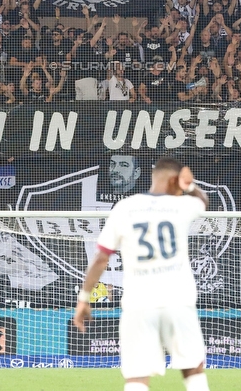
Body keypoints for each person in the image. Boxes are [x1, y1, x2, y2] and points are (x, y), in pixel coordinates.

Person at [74, 158, 209, 391]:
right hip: (178, 300)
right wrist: (190, 186)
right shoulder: (182, 206)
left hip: (139, 303)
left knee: (137, 377)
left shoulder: (125, 207)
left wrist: (84, 299)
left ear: (151, 176)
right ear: (176, 181)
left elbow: (101, 258)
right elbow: (203, 202)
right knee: (193, 371)